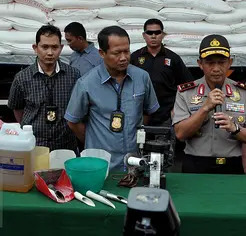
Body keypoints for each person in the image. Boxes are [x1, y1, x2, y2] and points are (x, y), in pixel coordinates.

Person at [64, 26, 160, 171]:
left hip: (134, 165)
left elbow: (147, 112)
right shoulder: (86, 83)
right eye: (116, 53)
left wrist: (134, 133)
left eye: (126, 51)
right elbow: (73, 122)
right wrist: (94, 142)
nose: (123, 58)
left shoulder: (142, 77)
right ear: (102, 53)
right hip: (100, 168)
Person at [172, 34, 246, 174]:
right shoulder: (186, 92)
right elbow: (180, 134)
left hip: (232, 165)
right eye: (210, 63)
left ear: (229, 62)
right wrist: (204, 109)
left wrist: (235, 128)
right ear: (200, 64)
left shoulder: (244, 93)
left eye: (221, 62)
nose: (216, 68)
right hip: (196, 164)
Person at [8, 25, 81, 152]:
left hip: (65, 145)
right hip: (34, 145)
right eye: (45, 47)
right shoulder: (22, 78)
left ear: (61, 48)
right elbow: (17, 108)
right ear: (35, 48)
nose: (50, 52)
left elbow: (78, 109)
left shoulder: (73, 75)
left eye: (55, 47)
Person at [130, 18, 194, 127]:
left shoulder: (173, 58)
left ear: (163, 34)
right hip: (140, 114)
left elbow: (187, 85)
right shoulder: (135, 58)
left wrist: (177, 109)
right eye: (149, 33)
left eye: (157, 32)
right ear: (144, 35)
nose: (153, 36)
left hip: (166, 115)